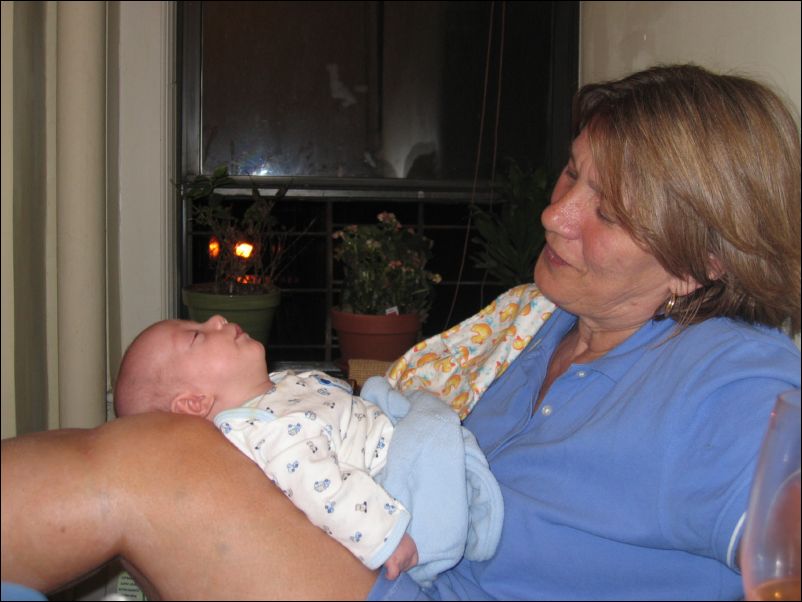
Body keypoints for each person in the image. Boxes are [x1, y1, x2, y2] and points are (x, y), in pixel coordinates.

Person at [2, 63, 800, 600]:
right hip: (384, 568)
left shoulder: (730, 379)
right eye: (572, 173)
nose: (556, 214)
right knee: (171, 449)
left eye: (610, 210)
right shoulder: (544, 324)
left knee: (150, 462)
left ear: (701, 262)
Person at [112, 314, 504, 587]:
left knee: (398, 401)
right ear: (194, 402)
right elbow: (323, 491)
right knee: (433, 429)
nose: (215, 319)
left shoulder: (269, 393)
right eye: (196, 335)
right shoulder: (270, 433)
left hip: (373, 434)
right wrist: (386, 537)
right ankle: (450, 516)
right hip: (387, 486)